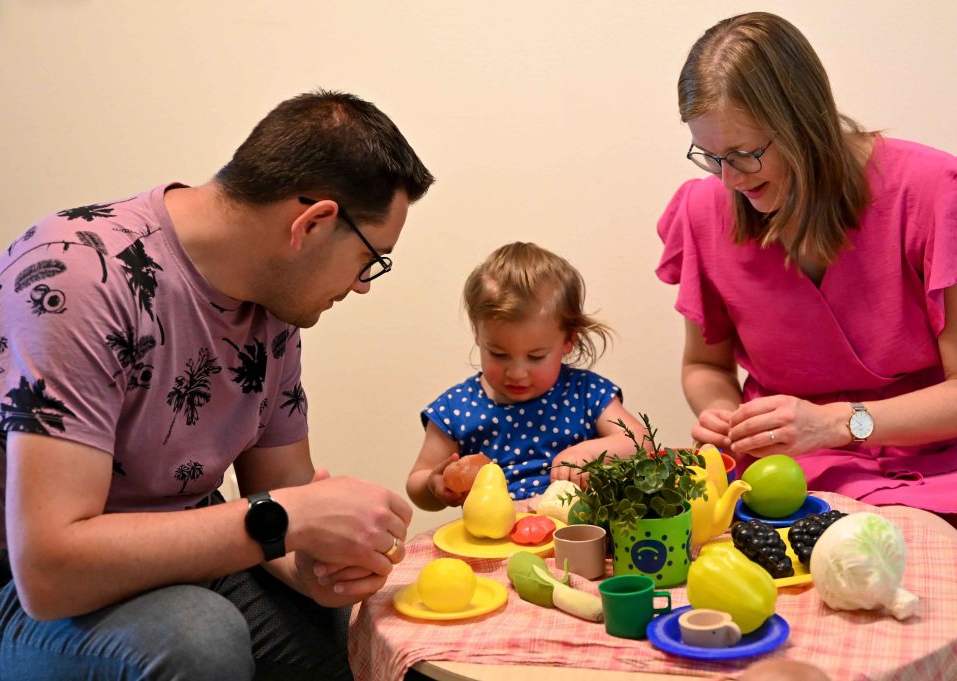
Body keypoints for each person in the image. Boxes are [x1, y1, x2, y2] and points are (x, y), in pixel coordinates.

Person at [0, 89, 434, 680]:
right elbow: (50, 572)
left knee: (317, 614)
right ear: (314, 222)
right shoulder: (76, 279)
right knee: (193, 635)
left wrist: (319, 568)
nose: (362, 285)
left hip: (169, 566)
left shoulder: (271, 309)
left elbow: (278, 499)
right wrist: (288, 519)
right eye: (370, 258)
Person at [656, 12, 957, 531]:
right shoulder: (704, 212)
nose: (729, 180)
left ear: (804, 121)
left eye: (744, 154)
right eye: (709, 156)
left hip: (936, 470)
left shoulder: (931, 192)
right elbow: (704, 365)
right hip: (784, 476)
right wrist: (729, 418)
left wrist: (837, 424)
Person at [407, 242, 645, 510]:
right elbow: (416, 482)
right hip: (494, 541)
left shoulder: (585, 392)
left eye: (536, 357)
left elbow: (641, 442)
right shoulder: (456, 408)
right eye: (498, 353)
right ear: (478, 334)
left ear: (568, 340)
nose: (517, 373)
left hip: (576, 535)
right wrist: (434, 484)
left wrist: (586, 452)